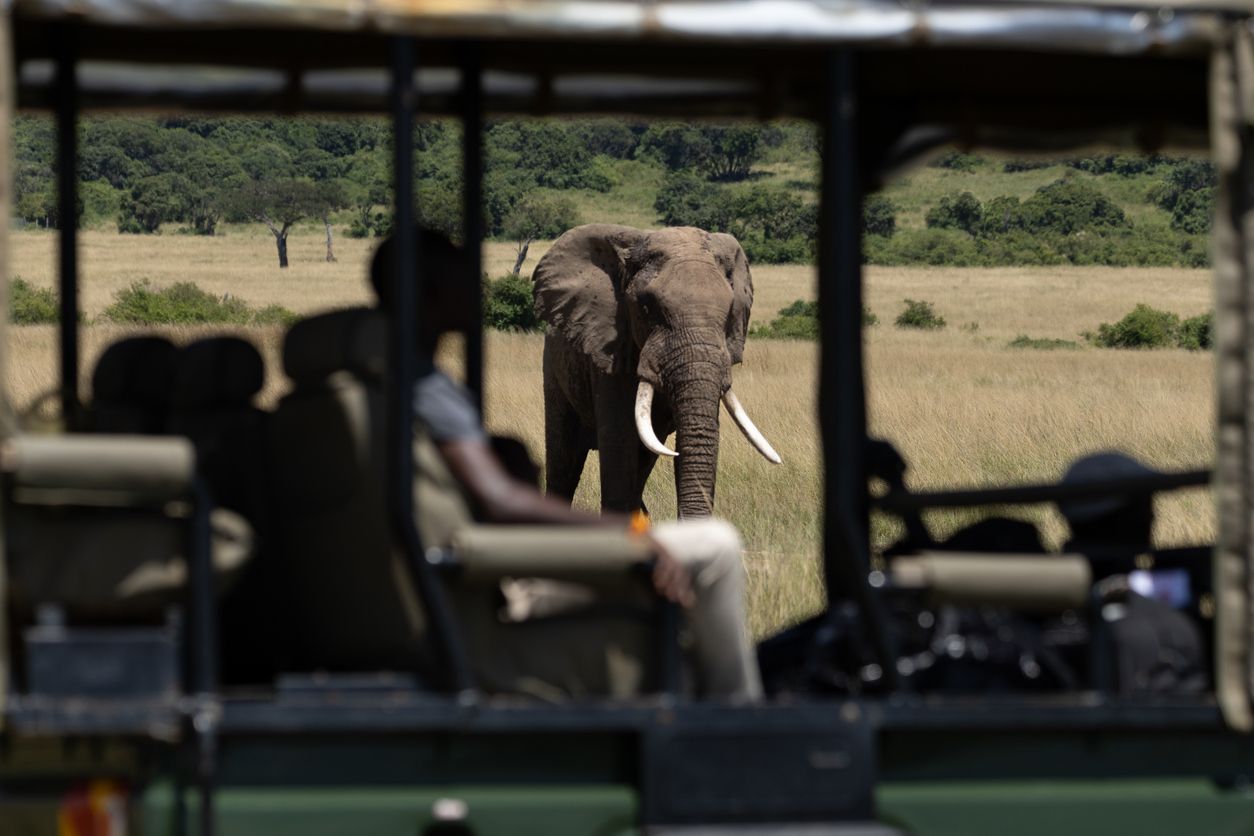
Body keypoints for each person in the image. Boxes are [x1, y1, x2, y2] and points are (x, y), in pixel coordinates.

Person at [370, 230, 762, 701]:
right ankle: (738, 713)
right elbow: (500, 502)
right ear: (429, 293)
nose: (479, 288)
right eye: (461, 275)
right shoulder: (426, 390)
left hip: (458, 584)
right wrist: (634, 537)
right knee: (716, 545)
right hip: (471, 588)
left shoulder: (388, 383)